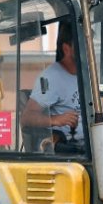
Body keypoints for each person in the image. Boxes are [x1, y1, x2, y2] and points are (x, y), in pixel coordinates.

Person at [20, 21, 83, 150]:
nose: (87, 48)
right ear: (67, 49)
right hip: (70, 148)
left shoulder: (88, 74)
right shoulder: (50, 77)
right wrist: (56, 119)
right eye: (83, 44)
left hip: (91, 142)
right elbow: (27, 117)